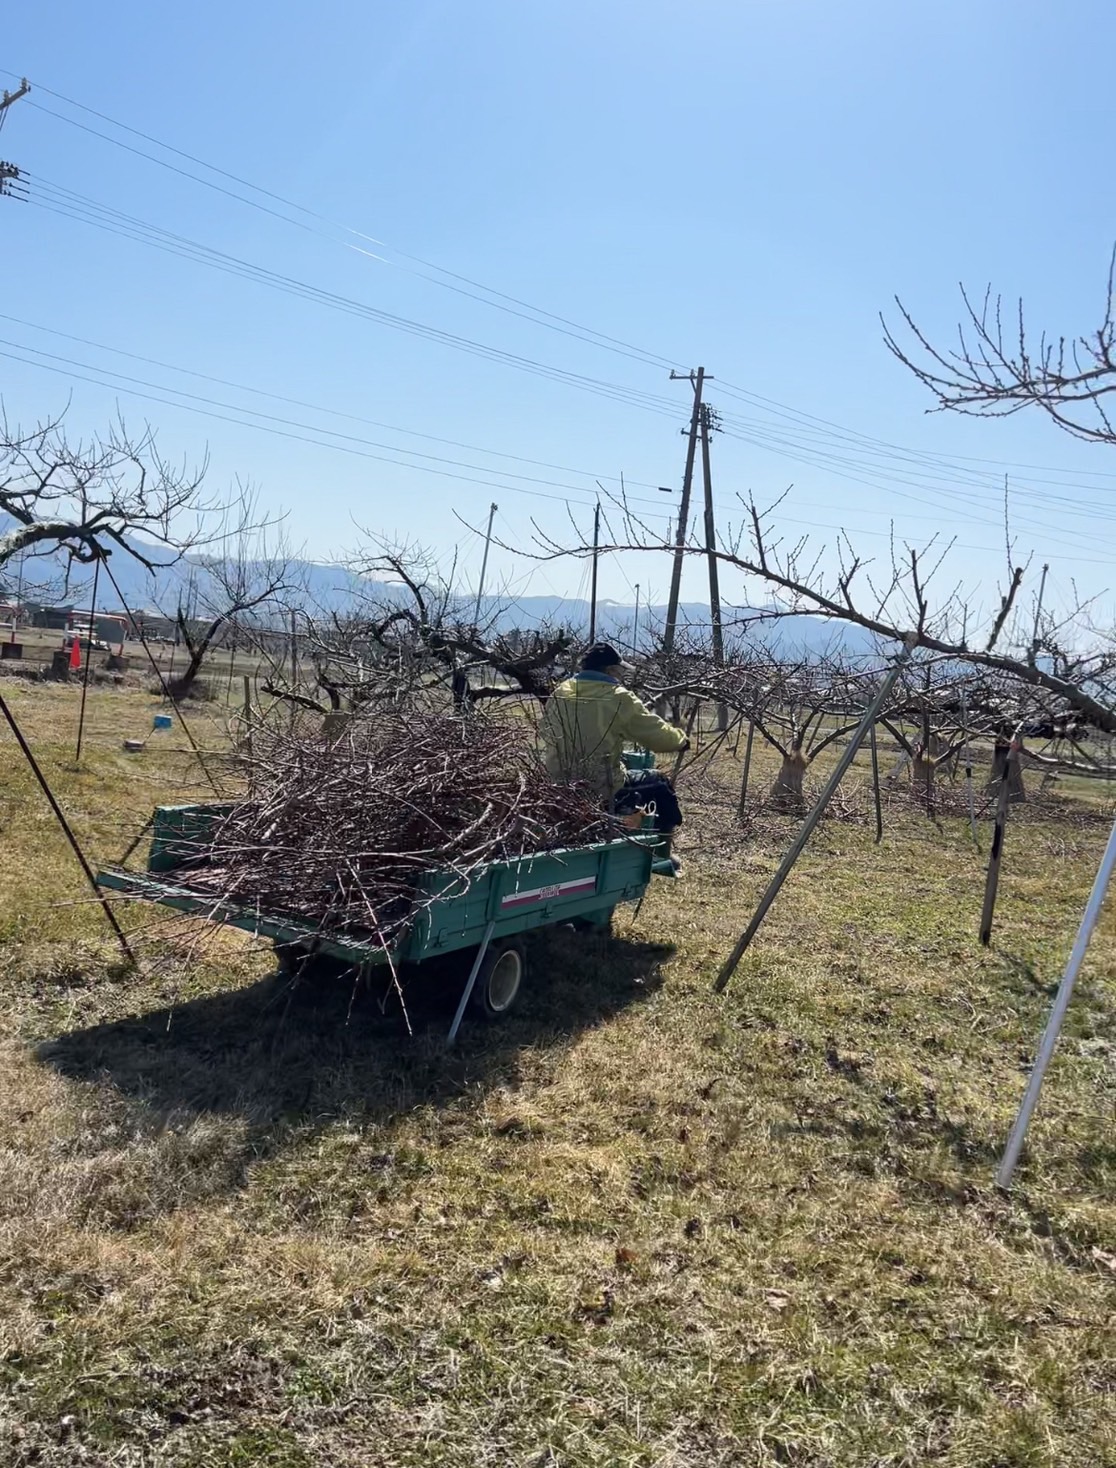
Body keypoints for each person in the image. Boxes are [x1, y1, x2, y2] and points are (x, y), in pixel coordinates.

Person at [540, 643, 689, 802]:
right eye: (619, 670)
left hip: (557, 782)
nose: (620, 675)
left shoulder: (561, 691)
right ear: (610, 670)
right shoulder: (618, 697)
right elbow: (656, 735)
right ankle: (659, 826)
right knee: (659, 782)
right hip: (601, 786)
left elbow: (545, 730)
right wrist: (681, 740)